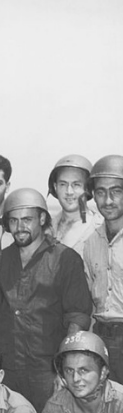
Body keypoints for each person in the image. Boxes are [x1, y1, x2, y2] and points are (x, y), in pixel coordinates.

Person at [0, 188, 92, 413]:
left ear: (41, 218)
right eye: (13, 220)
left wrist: (65, 369)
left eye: (27, 220)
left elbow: (77, 316)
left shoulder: (66, 260)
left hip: (47, 369)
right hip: (7, 368)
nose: (20, 227)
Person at [82, 155, 123, 384]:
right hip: (101, 336)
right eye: (100, 192)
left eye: (116, 191)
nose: (107, 200)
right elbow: (89, 301)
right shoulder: (91, 242)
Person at [49, 154, 101, 253]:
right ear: (55, 187)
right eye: (63, 184)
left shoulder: (101, 229)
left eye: (76, 185)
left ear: (88, 188)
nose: (69, 191)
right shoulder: (46, 228)